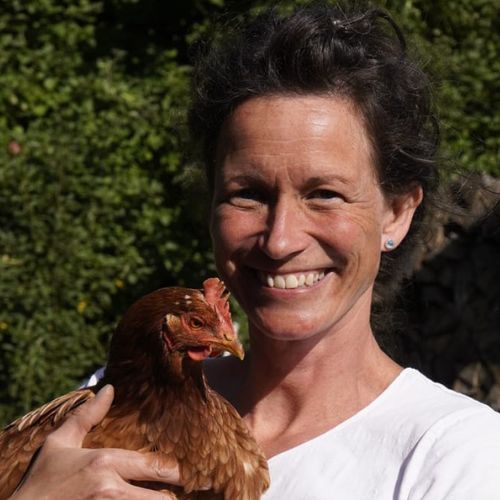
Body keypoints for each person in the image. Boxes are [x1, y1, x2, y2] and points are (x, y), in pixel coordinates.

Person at [10, 3, 500, 499]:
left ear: (396, 212)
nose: (280, 239)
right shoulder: (106, 406)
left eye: (324, 194)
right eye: (248, 194)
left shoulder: (455, 455)